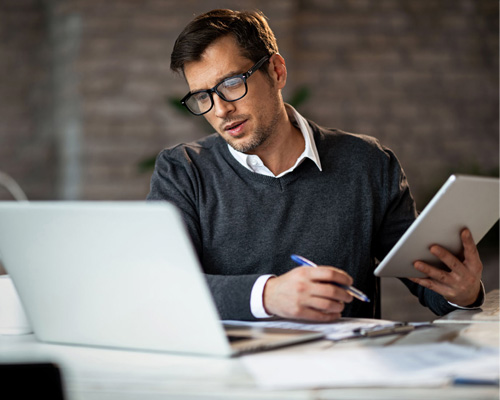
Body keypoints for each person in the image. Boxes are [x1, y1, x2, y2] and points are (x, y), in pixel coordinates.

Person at [147, 9, 484, 321]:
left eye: (232, 84)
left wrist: (463, 293)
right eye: (203, 96)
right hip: (236, 378)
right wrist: (267, 295)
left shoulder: (368, 163)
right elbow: (162, 285)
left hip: (343, 371)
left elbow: (429, 282)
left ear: (277, 72)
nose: (220, 110)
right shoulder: (183, 170)